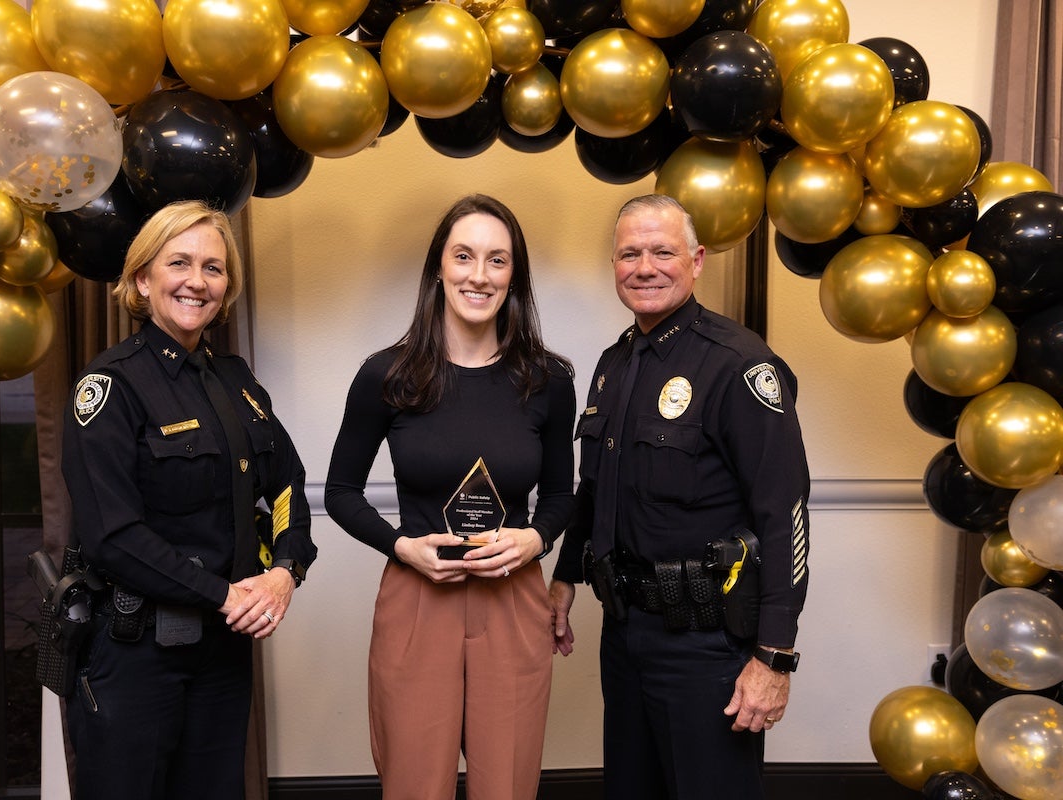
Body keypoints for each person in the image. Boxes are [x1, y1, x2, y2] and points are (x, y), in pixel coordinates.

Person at [548, 194, 810, 799]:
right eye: (629, 253)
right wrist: (565, 577)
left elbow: (785, 515)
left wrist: (774, 659)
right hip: (627, 634)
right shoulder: (615, 364)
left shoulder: (739, 365)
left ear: (696, 261)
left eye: (662, 251)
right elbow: (595, 488)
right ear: (614, 266)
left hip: (708, 646)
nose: (645, 267)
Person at [61, 199, 316, 800]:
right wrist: (226, 595)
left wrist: (284, 571)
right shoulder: (111, 385)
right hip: (135, 653)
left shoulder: (235, 380)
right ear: (143, 279)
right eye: (179, 263)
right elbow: (114, 536)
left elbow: (286, 485)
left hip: (222, 655)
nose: (197, 282)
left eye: (214, 268)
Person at [324, 194, 576, 800]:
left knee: (507, 785)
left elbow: (564, 494)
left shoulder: (548, 380)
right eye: (464, 256)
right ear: (439, 266)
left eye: (497, 260)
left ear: (514, 275)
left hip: (514, 594)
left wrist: (536, 539)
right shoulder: (385, 374)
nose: (479, 275)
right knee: (414, 784)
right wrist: (401, 546)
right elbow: (339, 492)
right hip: (418, 596)